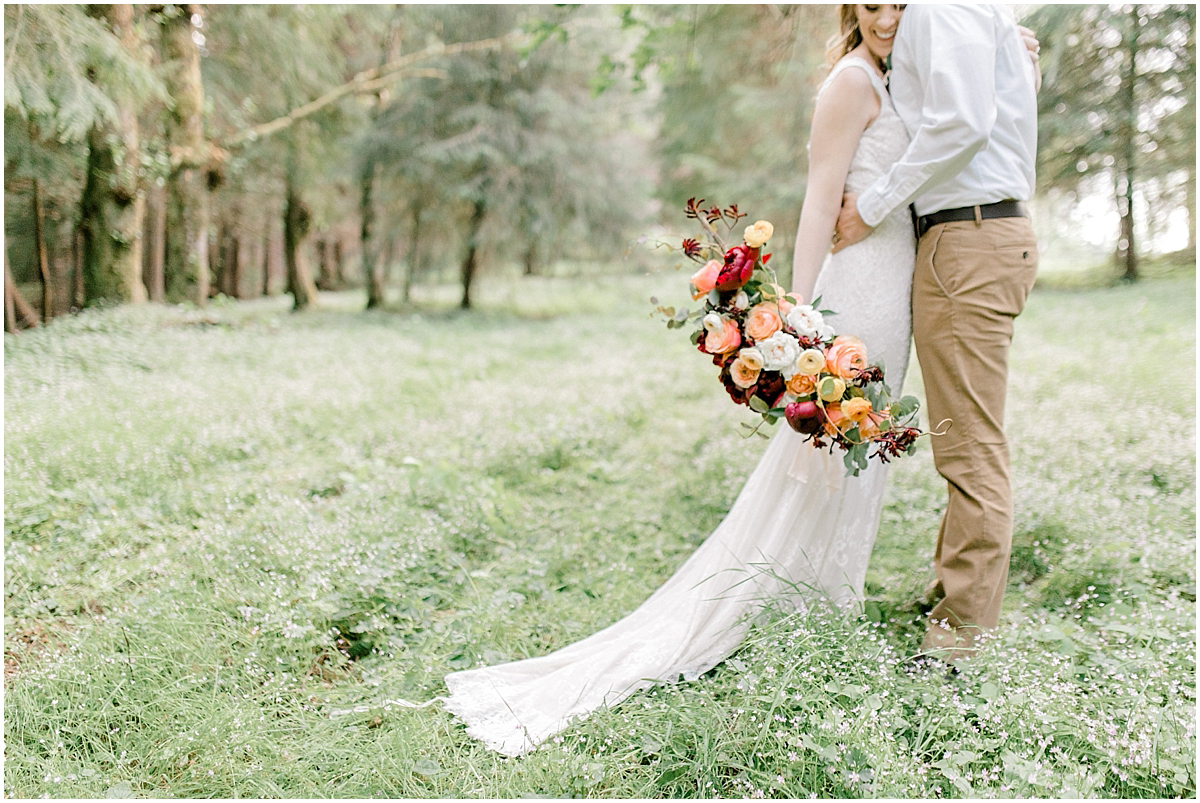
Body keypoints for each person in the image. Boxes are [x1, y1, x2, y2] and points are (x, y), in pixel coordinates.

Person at [438, 5, 1039, 756]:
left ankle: (834, 596)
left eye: (897, 3)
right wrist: (802, 316)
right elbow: (822, 198)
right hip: (865, 282)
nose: (888, 16)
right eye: (871, 3)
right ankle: (801, 595)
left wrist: (1000, 47)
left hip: (912, 272)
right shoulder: (855, 81)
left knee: (876, 443)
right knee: (835, 445)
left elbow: (959, 119)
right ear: (850, 10)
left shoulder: (914, 59)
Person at [832, 4, 1040, 663]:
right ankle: (953, 594)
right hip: (984, 235)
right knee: (964, 435)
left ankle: (959, 641)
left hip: (968, 237)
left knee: (969, 445)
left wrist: (869, 204)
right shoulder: (972, 11)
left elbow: (963, 123)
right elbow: (991, 108)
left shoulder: (941, 7)